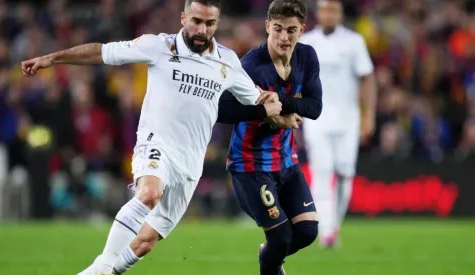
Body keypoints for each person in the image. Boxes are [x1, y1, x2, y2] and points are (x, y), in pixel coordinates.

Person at [22, 1, 282, 274]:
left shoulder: (227, 61)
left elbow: (259, 100)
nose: (202, 29)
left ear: (217, 23)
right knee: (148, 194)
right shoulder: (157, 46)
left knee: (144, 242)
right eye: (196, 21)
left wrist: (286, 111)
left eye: (209, 23)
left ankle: (101, 272)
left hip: (191, 164)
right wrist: (52, 58)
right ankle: (104, 265)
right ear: (183, 18)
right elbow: (102, 52)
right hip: (156, 143)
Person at [218, 1, 322, 274]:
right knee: (281, 237)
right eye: (277, 29)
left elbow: (315, 107)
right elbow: (222, 109)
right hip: (251, 165)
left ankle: (268, 256)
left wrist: (282, 104)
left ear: (302, 29)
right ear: (267, 27)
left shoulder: (307, 57)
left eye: (291, 30)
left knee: (308, 231)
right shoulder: (252, 65)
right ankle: (271, 260)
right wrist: (269, 114)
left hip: (286, 161)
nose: (284, 37)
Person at [299, 0, 377, 248]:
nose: (329, 14)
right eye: (325, 10)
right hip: (316, 118)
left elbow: (367, 80)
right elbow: (295, 81)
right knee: (322, 173)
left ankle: (333, 224)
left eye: (334, 10)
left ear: (341, 14)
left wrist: (369, 116)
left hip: (348, 119)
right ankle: (327, 233)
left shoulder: (354, 42)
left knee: (344, 174)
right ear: (319, 13)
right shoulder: (306, 42)